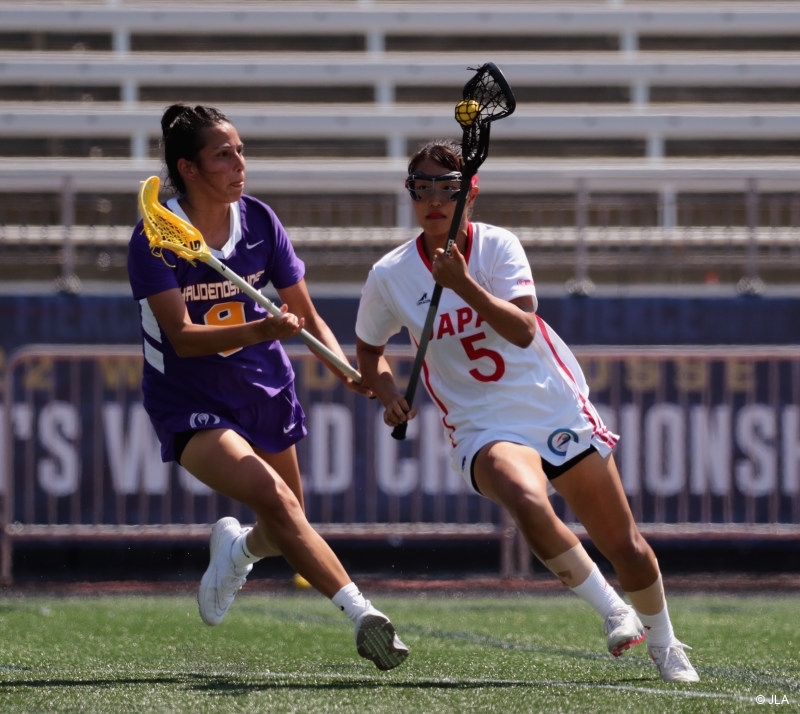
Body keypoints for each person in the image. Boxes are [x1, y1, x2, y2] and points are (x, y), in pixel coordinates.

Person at [354, 139, 699, 683]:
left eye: (448, 188)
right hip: (481, 425)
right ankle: (613, 610)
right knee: (524, 496)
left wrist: (462, 284)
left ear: (470, 193)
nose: (434, 201)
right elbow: (369, 350)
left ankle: (665, 642)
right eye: (421, 189)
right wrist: (388, 391)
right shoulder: (390, 273)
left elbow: (520, 329)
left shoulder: (498, 246)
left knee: (626, 547)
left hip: (549, 405)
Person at [127, 103, 408, 671]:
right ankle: (363, 614)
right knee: (277, 502)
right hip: (191, 401)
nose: (239, 164)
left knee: (284, 525)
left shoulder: (258, 220)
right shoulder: (154, 240)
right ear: (187, 168)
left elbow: (308, 314)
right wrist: (262, 328)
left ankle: (236, 552)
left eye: (240, 151)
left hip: (264, 389)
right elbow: (183, 337)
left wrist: (343, 367)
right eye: (223, 155)